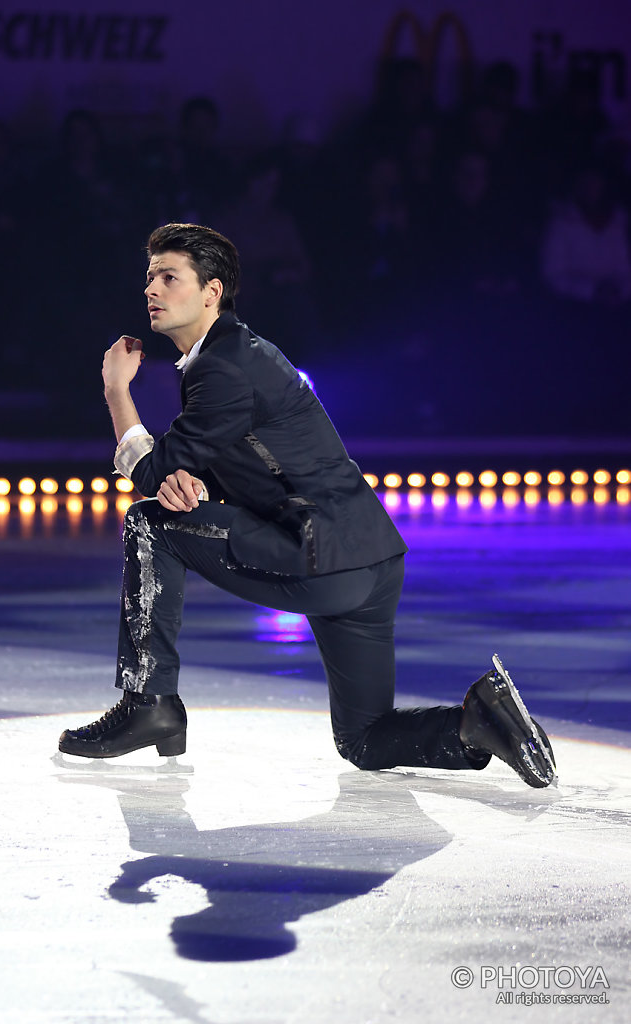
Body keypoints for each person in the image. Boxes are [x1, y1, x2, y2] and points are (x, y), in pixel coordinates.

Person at [59, 223, 555, 789]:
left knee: (151, 525)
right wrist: (191, 484)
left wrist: (116, 391)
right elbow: (220, 466)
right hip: (372, 558)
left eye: (169, 277)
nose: (152, 289)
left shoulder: (222, 368)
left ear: (211, 292)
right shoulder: (235, 357)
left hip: (316, 553)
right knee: (365, 738)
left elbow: (151, 475)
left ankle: (150, 704)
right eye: (150, 276)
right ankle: (477, 722)